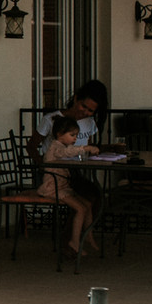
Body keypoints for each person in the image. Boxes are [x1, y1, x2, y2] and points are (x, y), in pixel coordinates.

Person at [30, 78, 116, 218]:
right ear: (76, 99)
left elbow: (89, 146)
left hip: (75, 172)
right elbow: (32, 146)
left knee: (95, 196)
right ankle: (74, 236)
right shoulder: (52, 119)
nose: (85, 112)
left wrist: (109, 148)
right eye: (84, 106)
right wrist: (43, 164)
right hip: (55, 174)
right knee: (86, 198)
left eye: (90, 110)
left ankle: (79, 234)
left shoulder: (89, 122)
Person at [36, 117, 100, 257]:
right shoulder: (56, 147)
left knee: (87, 204)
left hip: (62, 186)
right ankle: (74, 241)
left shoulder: (62, 146)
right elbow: (66, 153)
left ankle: (88, 235)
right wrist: (86, 148)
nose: (75, 138)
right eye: (72, 135)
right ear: (59, 134)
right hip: (53, 188)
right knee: (80, 209)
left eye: (76, 135)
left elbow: (69, 151)